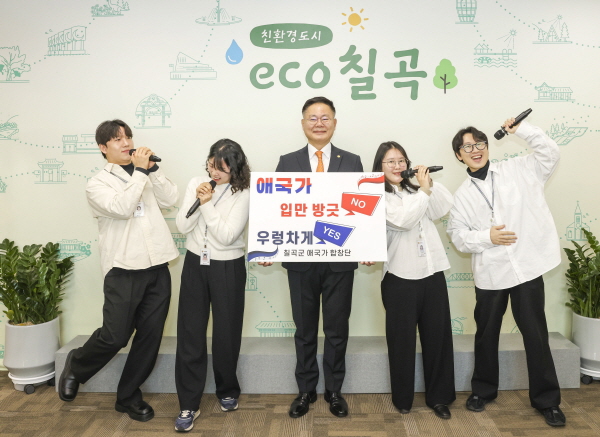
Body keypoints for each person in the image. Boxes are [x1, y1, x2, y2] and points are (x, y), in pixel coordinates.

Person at [446, 118, 565, 427]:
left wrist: (521, 130)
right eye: (467, 147)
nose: (475, 150)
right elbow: (457, 236)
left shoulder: (519, 168)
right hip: (491, 273)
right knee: (486, 334)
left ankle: (547, 401)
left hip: (526, 267)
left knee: (536, 335)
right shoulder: (461, 196)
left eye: (480, 144)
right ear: (459, 155)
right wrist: (487, 237)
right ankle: (483, 391)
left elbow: (550, 153)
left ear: (488, 146)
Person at [259, 96, 373, 419]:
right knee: (305, 330)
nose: (319, 123)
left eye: (325, 117)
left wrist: (366, 245)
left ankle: (334, 390)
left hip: (340, 261)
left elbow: (361, 207)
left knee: (337, 329)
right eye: (313, 117)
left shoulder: (352, 161)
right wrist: (269, 247)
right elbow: (276, 210)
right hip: (300, 261)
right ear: (303, 123)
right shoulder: (287, 161)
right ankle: (306, 390)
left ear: (335, 123)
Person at [58, 119, 179, 423]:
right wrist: (140, 173)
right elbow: (123, 208)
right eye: (117, 139)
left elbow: (171, 199)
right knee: (115, 336)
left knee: (150, 337)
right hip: (123, 269)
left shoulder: (145, 173)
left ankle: (128, 397)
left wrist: (153, 170)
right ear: (103, 147)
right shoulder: (97, 183)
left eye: (128, 137)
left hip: (157, 265)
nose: (126, 143)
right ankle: (78, 364)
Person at [172, 139, 251, 432]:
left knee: (226, 333)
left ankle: (227, 389)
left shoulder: (244, 193)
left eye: (222, 168)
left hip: (228, 265)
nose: (215, 173)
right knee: (190, 332)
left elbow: (227, 236)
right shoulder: (197, 183)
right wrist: (200, 199)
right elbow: (182, 226)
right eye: (211, 165)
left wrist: (207, 205)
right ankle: (188, 403)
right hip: (195, 263)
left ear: (235, 169)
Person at [373, 141, 456, 418]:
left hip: (432, 272)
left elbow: (442, 208)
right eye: (390, 162)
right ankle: (403, 399)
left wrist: (428, 182)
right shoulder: (377, 196)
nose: (397, 166)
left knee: (438, 338)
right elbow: (403, 220)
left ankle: (440, 398)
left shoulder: (417, 190)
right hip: (399, 277)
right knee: (402, 342)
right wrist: (423, 192)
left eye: (401, 161)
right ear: (380, 167)